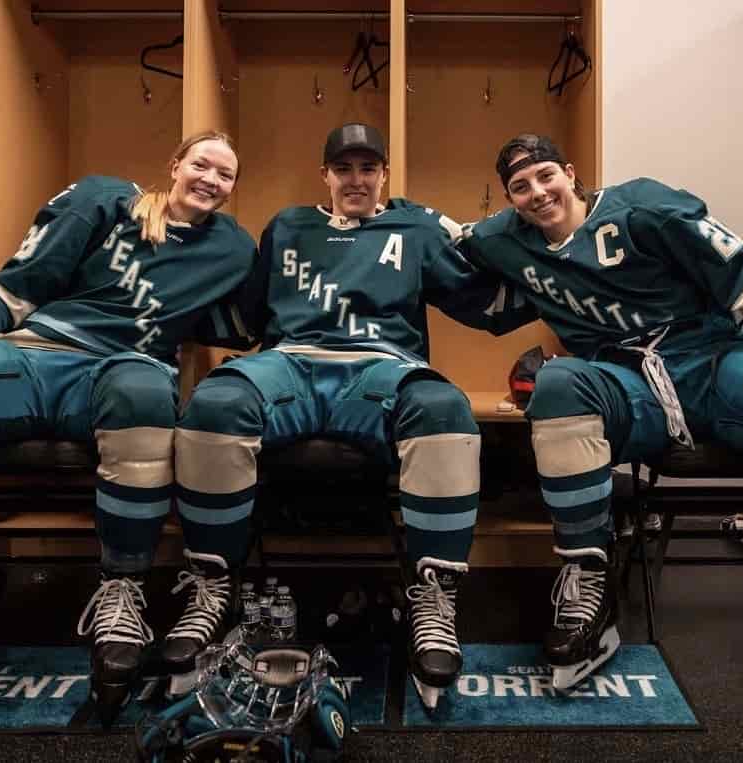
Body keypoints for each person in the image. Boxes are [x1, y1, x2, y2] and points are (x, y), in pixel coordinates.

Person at [459, 133, 743, 697]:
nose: (537, 192)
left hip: (714, 361)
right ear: (509, 198)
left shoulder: (641, 205)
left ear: (571, 173)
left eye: (546, 175)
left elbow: (738, 264)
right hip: (629, 381)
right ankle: (589, 580)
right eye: (520, 186)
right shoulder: (506, 239)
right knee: (558, 384)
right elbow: (443, 244)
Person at [0, 131, 256, 720]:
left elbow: (248, 321)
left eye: (225, 174)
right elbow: (25, 278)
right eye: (201, 164)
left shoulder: (232, 248)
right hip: (34, 351)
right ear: (175, 165)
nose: (211, 180)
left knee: (144, 399)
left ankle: (123, 591)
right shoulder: (105, 200)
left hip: (125, 367)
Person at [163, 123, 523, 704]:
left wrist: (551, 265)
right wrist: (157, 317)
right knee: (215, 404)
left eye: (368, 169)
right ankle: (212, 585)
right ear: (324, 175)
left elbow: (485, 303)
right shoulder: (287, 226)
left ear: (384, 174)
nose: (356, 180)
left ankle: (434, 599)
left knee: (443, 408)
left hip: (380, 370)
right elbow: (245, 318)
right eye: (344, 169)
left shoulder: (412, 229)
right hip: (290, 365)